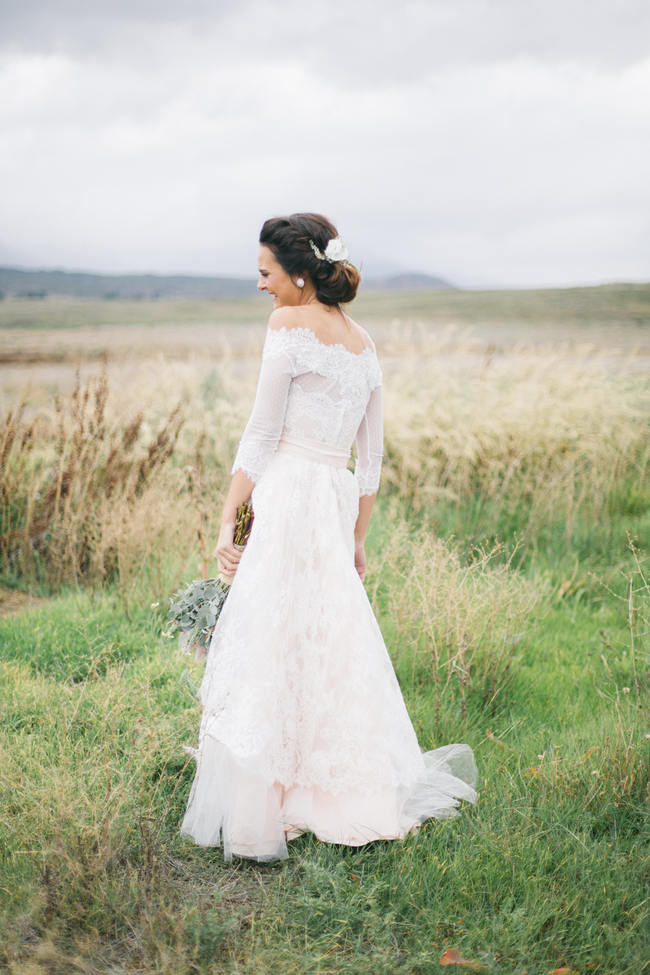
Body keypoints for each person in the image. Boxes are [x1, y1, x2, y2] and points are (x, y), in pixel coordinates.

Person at [180, 212, 477, 862]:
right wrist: (358, 538)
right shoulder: (365, 345)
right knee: (324, 644)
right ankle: (327, 785)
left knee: (272, 640)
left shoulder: (287, 326)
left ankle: (270, 793)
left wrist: (228, 516)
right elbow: (369, 462)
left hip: (287, 496)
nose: (260, 286)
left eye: (265, 273)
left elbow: (260, 435)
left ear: (297, 274)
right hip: (333, 506)